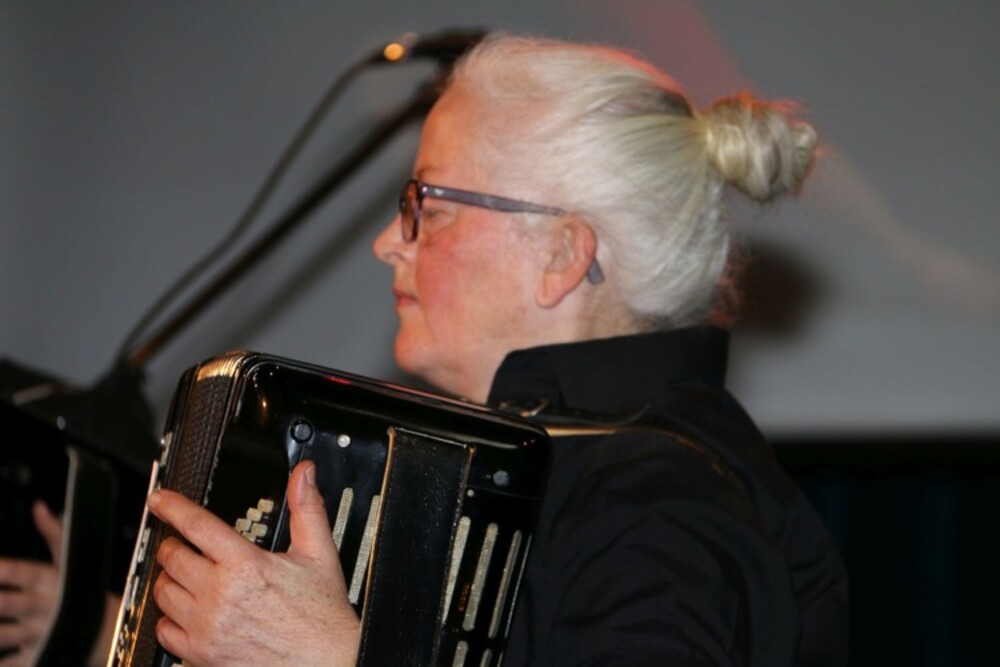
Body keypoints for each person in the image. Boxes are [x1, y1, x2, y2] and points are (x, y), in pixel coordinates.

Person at [4, 31, 850, 666]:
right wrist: (116, 635)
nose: (388, 242)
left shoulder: (663, 502)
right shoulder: (542, 467)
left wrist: (330, 656)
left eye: (427, 207)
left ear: (562, 255)